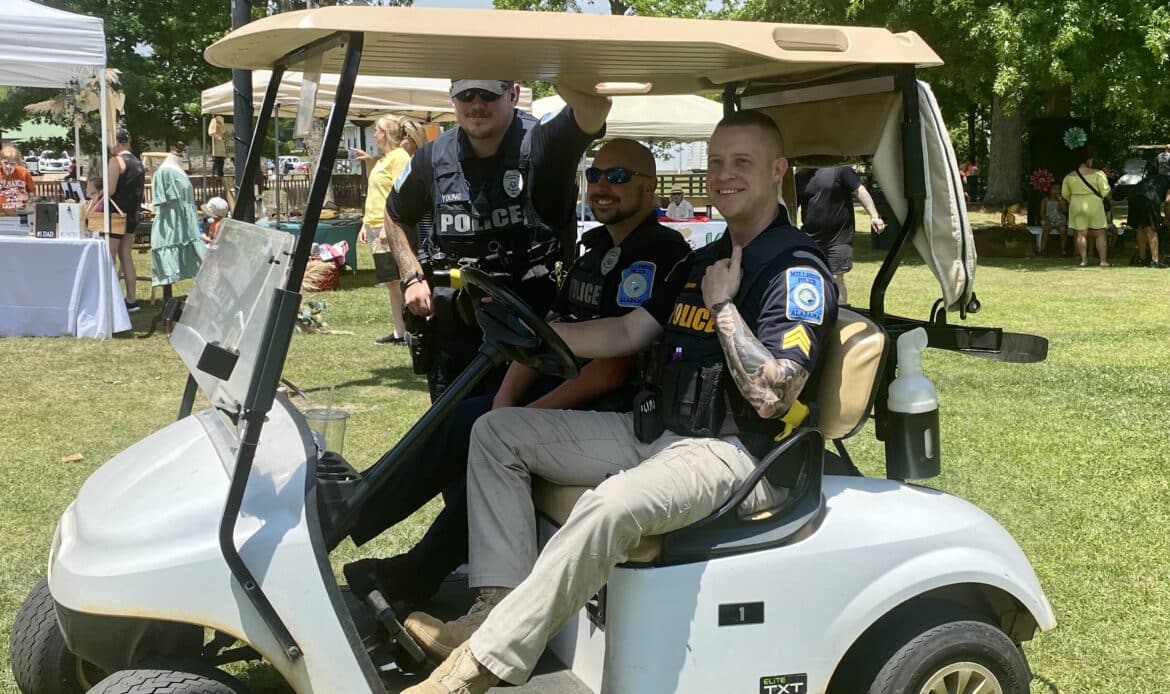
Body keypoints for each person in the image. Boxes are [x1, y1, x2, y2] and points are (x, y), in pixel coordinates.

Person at [402, 110, 838, 694]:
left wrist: (724, 307)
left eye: (742, 162)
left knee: (608, 505)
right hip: (660, 433)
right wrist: (535, 334)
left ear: (777, 170)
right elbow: (629, 332)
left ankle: (478, 667)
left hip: (736, 454)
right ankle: (496, 612)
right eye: (715, 162)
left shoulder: (795, 269)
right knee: (497, 431)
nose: (723, 175)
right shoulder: (706, 258)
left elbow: (771, 396)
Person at [343, 139, 693, 607]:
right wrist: (504, 402)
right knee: (468, 416)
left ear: (649, 188)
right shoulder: (593, 254)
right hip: (566, 391)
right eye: (594, 176)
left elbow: (612, 370)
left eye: (617, 177)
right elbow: (545, 332)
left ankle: (370, 529)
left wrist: (521, 416)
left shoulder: (661, 255)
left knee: (478, 428)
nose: (601, 187)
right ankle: (372, 523)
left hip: (611, 409)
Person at [381, 79, 611, 402]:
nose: (477, 104)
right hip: (456, 330)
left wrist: (550, 68)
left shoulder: (542, 141)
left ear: (513, 94)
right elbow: (394, 213)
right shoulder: (432, 157)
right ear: (452, 98)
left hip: (533, 331)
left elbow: (595, 109)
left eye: (488, 94)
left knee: (520, 428)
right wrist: (411, 277)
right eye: (466, 94)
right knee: (453, 427)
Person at [356, 114, 427, 345]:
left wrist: (389, 227)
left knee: (399, 279)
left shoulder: (398, 157)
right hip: (374, 224)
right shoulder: (385, 159)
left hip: (386, 226)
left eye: (377, 129)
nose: (374, 133)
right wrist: (365, 224)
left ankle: (411, 328)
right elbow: (376, 192)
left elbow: (399, 194)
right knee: (391, 281)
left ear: (386, 133)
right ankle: (400, 331)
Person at [794, 165, 884, 304]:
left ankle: (841, 313)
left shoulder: (840, 169)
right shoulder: (800, 177)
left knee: (836, 278)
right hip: (811, 239)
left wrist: (874, 215)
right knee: (810, 278)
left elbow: (859, 190)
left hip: (839, 238)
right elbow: (791, 206)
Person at [149, 142, 205, 289]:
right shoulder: (164, 172)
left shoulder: (177, 167)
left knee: (200, 260)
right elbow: (162, 202)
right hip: (171, 226)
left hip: (184, 225)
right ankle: (167, 296)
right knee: (171, 262)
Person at [106, 128, 146, 311]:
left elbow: (110, 190)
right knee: (126, 257)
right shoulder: (138, 163)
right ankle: (131, 300)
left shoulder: (116, 161)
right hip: (131, 214)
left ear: (116, 143)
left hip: (116, 215)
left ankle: (109, 299)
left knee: (109, 258)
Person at [1061, 147, 1111, 267]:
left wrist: (1073, 199)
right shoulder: (1098, 174)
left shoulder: (1069, 176)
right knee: (1100, 233)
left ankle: (1083, 260)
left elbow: (1065, 194)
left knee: (1081, 233)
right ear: (1088, 160)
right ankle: (1103, 261)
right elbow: (1105, 191)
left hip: (1076, 204)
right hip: (1094, 204)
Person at [1126, 168, 1169, 268]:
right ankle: (1155, 261)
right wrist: (1167, 218)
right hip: (1148, 197)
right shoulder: (1168, 180)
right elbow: (1168, 201)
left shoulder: (1152, 178)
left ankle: (1141, 259)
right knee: (1151, 228)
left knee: (1141, 227)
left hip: (1133, 195)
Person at [0, 145, 36, 211]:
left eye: (12, 163)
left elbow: (32, 193)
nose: (8, 166)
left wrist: (26, 197)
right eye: (5, 163)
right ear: (1, 161)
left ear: (17, 163)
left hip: (20, 211)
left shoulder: (24, 172)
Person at [1040, 185, 1068, 257]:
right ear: (1050, 190)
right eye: (1054, 189)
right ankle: (1042, 250)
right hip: (1048, 219)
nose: (1056, 191)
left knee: (1063, 229)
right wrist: (1045, 219)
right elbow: (1042, 212)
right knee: (1046, 229)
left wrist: (1061, 201)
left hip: (1060, 219)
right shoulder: (1046, 200)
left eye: (1059, 189)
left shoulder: (1062, 200)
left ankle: (1063, 250)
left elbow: (1065, 210)